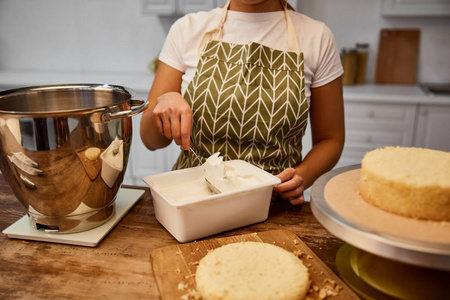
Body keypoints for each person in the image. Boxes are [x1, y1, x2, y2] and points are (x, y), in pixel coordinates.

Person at [140, 0, 345, 205]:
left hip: (272, 205)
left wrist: (301, 176)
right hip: (191, 202)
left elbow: (331, 139)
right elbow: (150, 140)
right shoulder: (187, 29)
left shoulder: (317, 37)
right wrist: (163, 103)